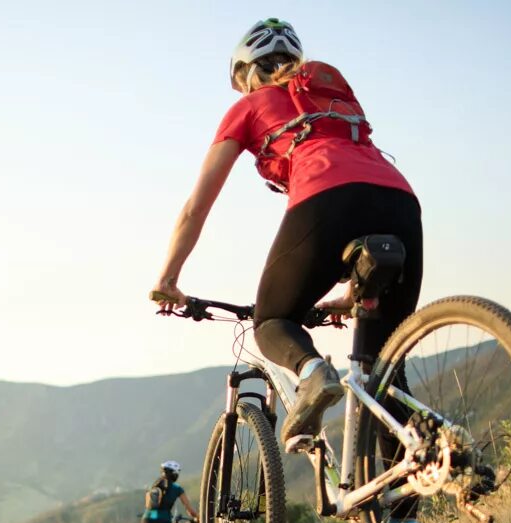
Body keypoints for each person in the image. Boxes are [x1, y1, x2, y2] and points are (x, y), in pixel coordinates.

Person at [150, 17, 423, 451]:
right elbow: (362, 193)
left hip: (326, 197)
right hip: (401, 200)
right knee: (385, 367)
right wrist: (353, 293)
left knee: (273, 321)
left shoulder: (248, 106)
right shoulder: (332, 102)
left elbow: (196, 207)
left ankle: (313, 373)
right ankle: (406, 511)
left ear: (244, 73)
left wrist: (168, 278)